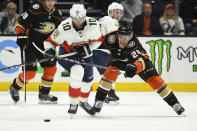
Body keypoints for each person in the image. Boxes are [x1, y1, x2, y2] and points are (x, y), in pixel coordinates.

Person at [88, 22, 185, 116]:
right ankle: (98, 102)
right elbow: (96, 43)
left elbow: (141, 60)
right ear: (117, 35)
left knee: (156, 81)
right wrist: (81, 48)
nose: (122, 40)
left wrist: (134, 67)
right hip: (118, 59)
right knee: (108, 76)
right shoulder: (111, 38)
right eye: (121, 37)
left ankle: (175, 103)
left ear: (130, 37)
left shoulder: (133, 44)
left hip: (139, 62)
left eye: (125, 38)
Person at [43, 4, 103, 117]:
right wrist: (49, 50)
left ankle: (83, 102)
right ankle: (73, 104)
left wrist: (88, 48)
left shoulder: (93, 24)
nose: (78, 21)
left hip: (85, 55)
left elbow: (100, 40)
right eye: (75, 19)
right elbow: (49, 41)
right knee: (77, 71)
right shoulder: (64, 27)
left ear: (85, 16)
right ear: (71, 17)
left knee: (88, 81)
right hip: (67, 54)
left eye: (81, 18)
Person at [9, 0, 62, 104]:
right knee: (30, 74)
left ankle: (44, 94)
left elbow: (60, 33)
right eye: (48, 0)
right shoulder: (35, 9)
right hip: (31, 46)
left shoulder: (57, 15)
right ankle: (14, 88)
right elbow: (19, 22)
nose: (51, 3)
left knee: (51, 70)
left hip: (47, 47)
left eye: (53, 0)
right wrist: (21, 35)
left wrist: (55, 44)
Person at [93, 2, 124, 104]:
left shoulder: (105, 19)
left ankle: (107, 93)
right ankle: (109, 94)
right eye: (116, 12)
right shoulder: (110, 21)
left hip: (97, 50)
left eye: (120, 12)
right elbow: (115, 37)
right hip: (100, 50)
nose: (118, 14)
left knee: (110, 72)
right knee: (111, 72)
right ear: (110, 12)